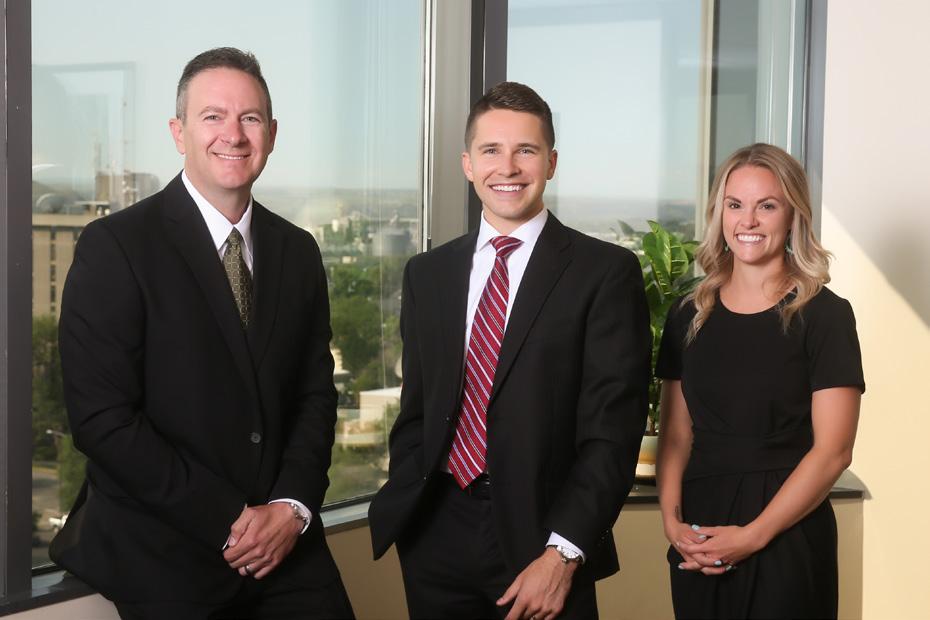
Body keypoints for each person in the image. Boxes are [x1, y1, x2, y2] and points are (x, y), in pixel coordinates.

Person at [50, 47, 354, 619]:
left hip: (284, 546)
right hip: (166, 545)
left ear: (271, 134)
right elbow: (102, 420)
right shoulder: (115, 247)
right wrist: (230, 520)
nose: (233, 135)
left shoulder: (298, 251)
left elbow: (315, 396)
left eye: (250, 118)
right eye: (213, 116)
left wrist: (291, 509)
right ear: (178, 132)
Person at [368, 81, 651, 620]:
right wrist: (411, 506)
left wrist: (564, 553)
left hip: (541, 538)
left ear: (551, 162)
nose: (508, 167)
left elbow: (612, 435)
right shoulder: (428, 274)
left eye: (526, 150)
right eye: (491, 150)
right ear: (468, 164)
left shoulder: (604, 273)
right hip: (435, 532)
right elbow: (418, 409)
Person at [655, 143, 864, 619]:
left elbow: (834, 451)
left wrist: (753, 536)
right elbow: (676, 436)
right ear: (719, 213)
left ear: (792, 216)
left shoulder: (826, 316)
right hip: (700, 531)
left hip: (787, 531)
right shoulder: (687, 314)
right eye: (735, 205)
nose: (747, 221)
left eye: (766, 206)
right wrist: (672, 522)